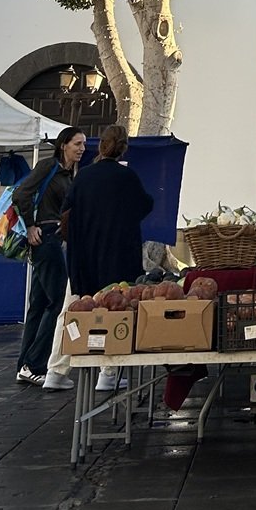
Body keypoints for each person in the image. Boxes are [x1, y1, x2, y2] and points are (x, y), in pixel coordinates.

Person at [60, 123, 153, 392]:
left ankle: (57, 368)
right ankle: (108, 372)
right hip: (116, 253)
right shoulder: (127, 177)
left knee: (77, 310)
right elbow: (145, 205)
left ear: (100, 146)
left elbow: (67, 210)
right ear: (123, 147)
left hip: (84, 255)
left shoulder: (83, 176)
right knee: (113, 311)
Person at [12, 125, 86, 386]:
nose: (81, 149)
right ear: (64, 144)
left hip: (53, 238)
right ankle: (34, 364)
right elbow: (21, 193)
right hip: (45, 238)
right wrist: (30, 225)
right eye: (77, 144)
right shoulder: (49, 166)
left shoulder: (69, 174)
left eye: (83, 144)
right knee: (57, 303)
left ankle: (25, 364)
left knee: (40, 303)